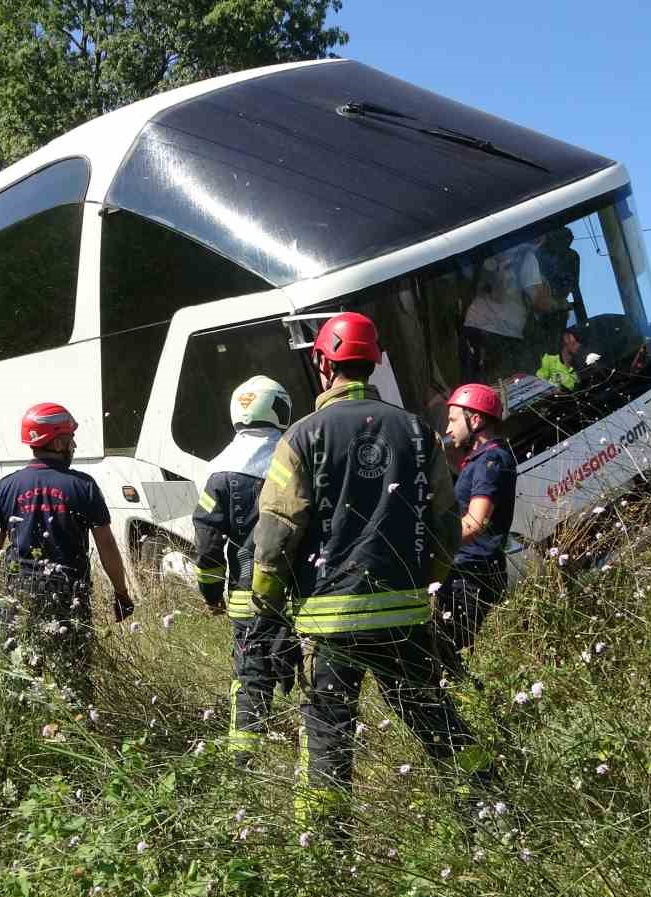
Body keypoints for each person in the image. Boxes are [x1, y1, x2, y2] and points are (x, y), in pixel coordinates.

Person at [251, 311, 493, 830]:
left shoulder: (300, 437)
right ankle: (491, 812)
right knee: (436, 721)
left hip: (332, 623)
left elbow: (275, 531)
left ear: (321, 362)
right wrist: (422, 576)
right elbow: (448, 526)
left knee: (329, 735)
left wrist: (266, 602)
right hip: (403, 615)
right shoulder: (416, 432)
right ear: (377, 360)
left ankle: (324, 847)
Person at [0, 402, 134, 706]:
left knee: (21, 676)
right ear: (57, 441)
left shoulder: (6, 486)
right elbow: (106, 546)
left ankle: (24, 735)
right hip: (68, 593)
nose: (74, 444)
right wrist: (121, 592)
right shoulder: (82, 486)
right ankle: (78, 738)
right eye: (70, 438)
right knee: (74, 675)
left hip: (17, 593)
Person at [191, 375, 300, 767]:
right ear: (281, 409)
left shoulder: (218, 471)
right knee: (310, 677)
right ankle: (306, 755)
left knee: (250, 678)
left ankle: (244, 764)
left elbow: (206, 545)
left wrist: (210, 595)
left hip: (245, 597)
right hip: (298, 595)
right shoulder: (296, 457)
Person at [435, 384, 517, 676]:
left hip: (472, 579)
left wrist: (431, 541)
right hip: (464, 574)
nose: (448, 427)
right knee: (447, 658)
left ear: (476, 420)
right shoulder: (481, 460)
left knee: (447, 664)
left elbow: (476, 521)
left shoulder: (491, 461)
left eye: (454, 419)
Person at [461, 242, 558, 382]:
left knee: (475, 384)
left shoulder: (496, 247)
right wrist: (555, 302)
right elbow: (539, 302)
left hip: (474, 322)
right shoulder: (527, 257)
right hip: (500, 332)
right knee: (499, 387)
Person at [535, 326, 584, 391]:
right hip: (555, 399)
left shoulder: (581, 362)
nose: (579, 345)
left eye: (579, 342)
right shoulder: (549, 359)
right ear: (565, 340)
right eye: (576, 341)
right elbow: (537, 385)